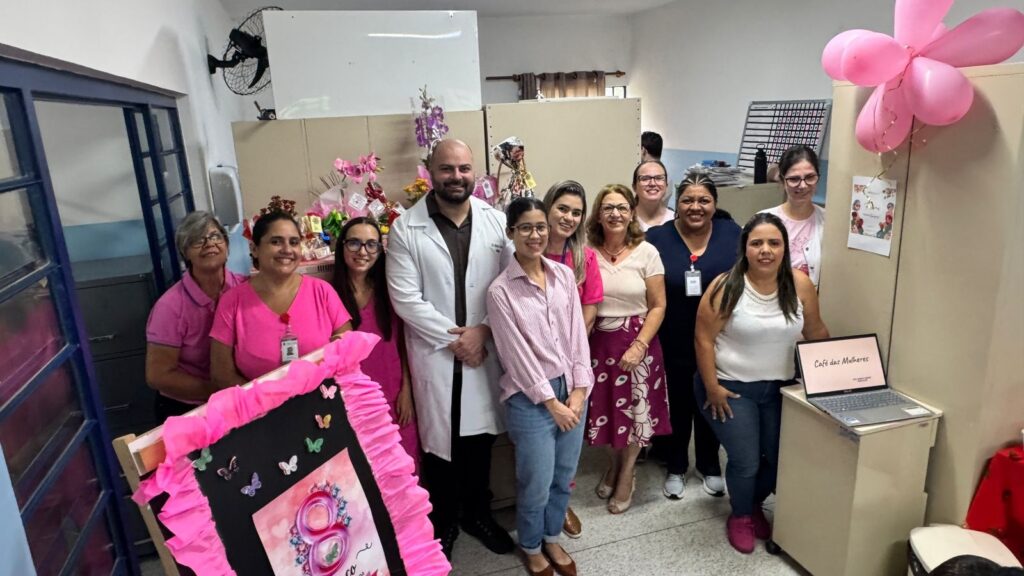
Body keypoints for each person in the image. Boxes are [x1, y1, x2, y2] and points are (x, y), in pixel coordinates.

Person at [386, 139, 514, 559]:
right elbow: (405, 299)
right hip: (439, 354)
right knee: (440, 447)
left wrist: (484, 331)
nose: (456, 177)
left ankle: (479, 514)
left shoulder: (496, 222)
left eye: (463, 168)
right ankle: (443, 522)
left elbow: (512, 286)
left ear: (473, 170)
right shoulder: (407, 227)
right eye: (446, 169)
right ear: (430, 171)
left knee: (478, 441)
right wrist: (459, 338)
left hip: (484, 350)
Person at [694, 212, 829, 554]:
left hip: (781, 389)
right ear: (745, 249)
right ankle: (740, 515)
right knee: (747, 460)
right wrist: (712, 388)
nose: (765, 250)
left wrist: (834, 375)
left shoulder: (799, 284)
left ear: (785, 248)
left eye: (774, 243)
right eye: (757, 243)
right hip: (730, 388)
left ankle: (752, 502)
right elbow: (703, 339)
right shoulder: (727, 286)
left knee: (780, 457)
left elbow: (815, 333)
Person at [487, 197, 592, 576]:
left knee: (564, 477)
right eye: (526, 228)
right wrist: (552, 403)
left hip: (573, 388)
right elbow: (516, 357)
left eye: (541, 227)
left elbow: (578, 335)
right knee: (535, 481)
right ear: (511, 233)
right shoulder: (501, 291)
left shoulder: (563, 275)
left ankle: (551, 537)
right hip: (532, 401)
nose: (535, 235)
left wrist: (580, 391)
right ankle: (531, 546)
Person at [646, 175, 740, 500]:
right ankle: (675, 465)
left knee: (711, 399)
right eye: (688, 200)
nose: (695, 207)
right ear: (677, 204)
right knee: (677, 404)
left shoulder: (731, 233)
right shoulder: (657, 238)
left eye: (704, 200)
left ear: (714, 204)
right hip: (671, 337)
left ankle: (709, 464)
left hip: (719, 338)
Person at [585, 184, 670, 514]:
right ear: (598, 213)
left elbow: (659, 305)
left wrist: (639, 345)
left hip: (638, 344)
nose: (615, 213)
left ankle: (627, 471)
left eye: (621, 207)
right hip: (597, 343)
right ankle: (613, 463)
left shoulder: (647, 252)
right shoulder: (587, 250)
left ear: (632, 212)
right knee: (603, 410)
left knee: (635, 413)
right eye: (608, 207)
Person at [210, 211, 351, 385]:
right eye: (276, 242)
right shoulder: (232, 302)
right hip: (260, 409)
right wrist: (265, 402)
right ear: (254, 249)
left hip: (323, 402)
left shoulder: (322, 292)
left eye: (294, 242)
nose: (287, 250)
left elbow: (346, 348)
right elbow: (221, 374)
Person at [541, 180, 603, 539]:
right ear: (548, 208)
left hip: (572, 363)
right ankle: (535, 502)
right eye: (562, 208)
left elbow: (589, 313)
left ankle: (561, 503)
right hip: (530, 364)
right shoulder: (525, 251)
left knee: (567, 441)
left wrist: (567, 357)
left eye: (576, 212)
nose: (568, 217)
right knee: (537, 441)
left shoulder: (584, 258)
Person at [332, 217, 419, 468]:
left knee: (404, 466)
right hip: (353, 400)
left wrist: (407, 390)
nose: (363, 252)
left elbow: (404, 344)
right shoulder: (329, 295)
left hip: (394, 394)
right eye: (355, 243)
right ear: (342, 247)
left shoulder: (390, 292)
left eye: (372, 245)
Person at [145, 211, 245, 420]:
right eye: (197, 240)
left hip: (237, 400)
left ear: (227, 246)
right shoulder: (170, 307)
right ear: (185, 253)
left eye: (216, 236)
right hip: (188, 409)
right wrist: (219, 389)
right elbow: (158, 375)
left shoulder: (245, 288)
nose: (209, 244)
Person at [759, 145, 826, 287]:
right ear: (783, 181)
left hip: (811, 305)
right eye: (794, 179)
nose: (802, 185)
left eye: (810, 177)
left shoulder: (828, 222)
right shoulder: (762, 222)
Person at [633, 160, 675, 232]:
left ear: (666, 186)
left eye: (659, 178)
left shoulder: (676, 221)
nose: (652, 183)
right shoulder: (625, 219)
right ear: (634, 187)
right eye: (645, 178)